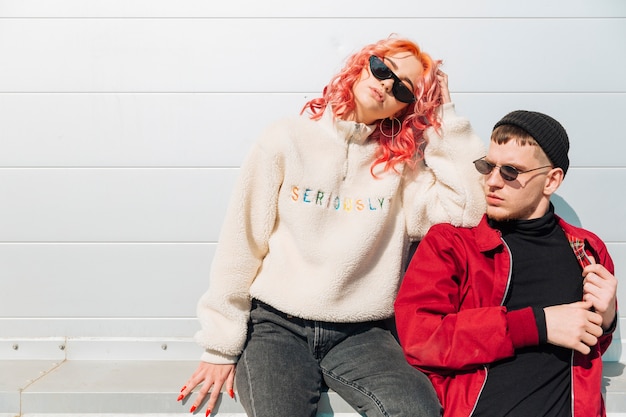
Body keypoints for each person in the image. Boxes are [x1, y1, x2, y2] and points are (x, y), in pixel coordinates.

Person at [178, 35, 487, 417]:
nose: (387, 83)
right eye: (381, 68)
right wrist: (220, 345)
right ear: (361, 65)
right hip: (276, 327)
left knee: (418, 411)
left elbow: (468, 210)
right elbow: (241, 243)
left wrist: (446, 118)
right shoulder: (286, 139)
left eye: (404, 88)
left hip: (363, 333)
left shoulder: (402, 169)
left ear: (407, 107)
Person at [394, 110, 618, 417]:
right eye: (488, 166)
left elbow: (585, 348)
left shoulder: (587, 250)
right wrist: (537, 325)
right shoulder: (452, 244)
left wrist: (606, 320)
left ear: (551, 180)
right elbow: (421, 340)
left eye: (511, 172)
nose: (492, 182)